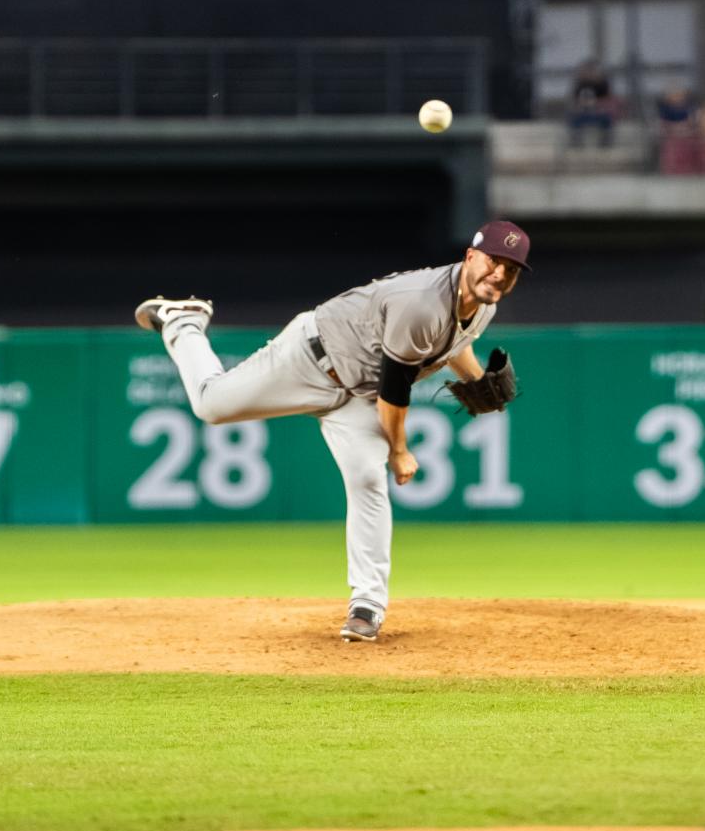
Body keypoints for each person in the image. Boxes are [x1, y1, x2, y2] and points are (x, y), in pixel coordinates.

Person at [134, 222, 529, 642]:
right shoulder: (421, 303)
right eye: (493, 261)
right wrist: (399, 451)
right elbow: (394, 394)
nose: (500, 274)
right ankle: (184, 322)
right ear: (471, 257)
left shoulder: (485, 305)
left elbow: (453, 343)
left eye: (511, 268)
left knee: (366, 479)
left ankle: (367, 605)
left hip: (358, 395)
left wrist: (475, 380)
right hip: (309, 358)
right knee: (210, 405)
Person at [568, 59, 615, 148]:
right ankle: (576, 142)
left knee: (607, 119)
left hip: (599, 112)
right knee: (574, 119)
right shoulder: (580, 85)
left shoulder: (602, 85)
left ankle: (605, 142)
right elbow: (574, 101)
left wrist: (598, 105)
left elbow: (608, 100)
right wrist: (580, 106)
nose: (590, 73)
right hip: (583, 113)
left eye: (592, 71)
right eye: (587, 70)